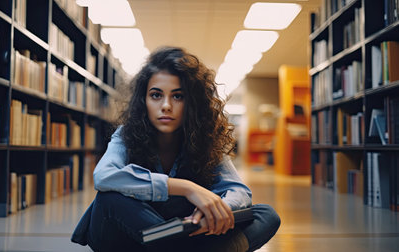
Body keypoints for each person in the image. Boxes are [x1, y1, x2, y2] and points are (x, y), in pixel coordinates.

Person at [72, 46, 280, 252]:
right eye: (156, 95)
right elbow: (104, 176)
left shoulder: (205, 140)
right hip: (132, 236)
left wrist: (217, 211)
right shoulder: (125, 135)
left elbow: (239, 191)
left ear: (192, 103)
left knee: (266, 214)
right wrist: (187, 188)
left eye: (178, 96)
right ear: (143, 101)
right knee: (109, 199)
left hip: (178, 231)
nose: (166, 105)